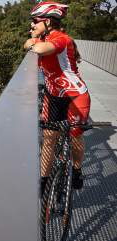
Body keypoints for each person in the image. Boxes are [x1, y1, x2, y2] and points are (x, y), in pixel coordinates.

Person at [23, 2, 91, 194]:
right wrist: (31, 41)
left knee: (75, 136)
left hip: (75, 97)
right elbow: (29, 45)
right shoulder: (43, 38)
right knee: (49, 138)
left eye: (35, 21)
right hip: (53, 96)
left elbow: (41, 49)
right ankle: (44, 181)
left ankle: (77, 170)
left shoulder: (62, 38)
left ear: (48, 22)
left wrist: (32, 41)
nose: (32, 26)